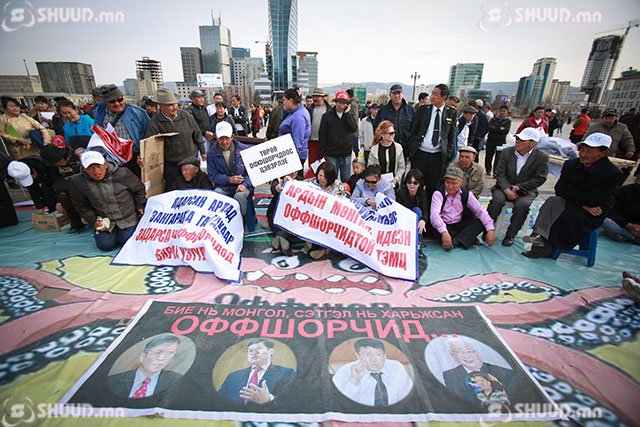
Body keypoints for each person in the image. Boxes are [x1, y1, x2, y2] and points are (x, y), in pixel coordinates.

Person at [522, 133, 622, 258]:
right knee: (553, 202)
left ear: (603, 153)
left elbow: (595, 199)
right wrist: (583, 203)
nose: (583, 155)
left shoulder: (611, 173)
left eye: (589, 152)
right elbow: (560, 189)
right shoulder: (571, 165)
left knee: (563, 217)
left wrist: (572, 192)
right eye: (582, 150)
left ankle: (546, 245)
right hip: (577, 205)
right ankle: (538, 238)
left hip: (593, 212)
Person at [69, 151, 145, 251]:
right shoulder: (78, 182)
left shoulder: (122, 173)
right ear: (84, 169)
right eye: (90, 168)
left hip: (128, 217)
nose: (96, 171)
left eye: (99, 166)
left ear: (105, 165)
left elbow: (139, 189)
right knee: (105, 245)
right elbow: (80, 205)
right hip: (104, 220)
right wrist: (93, 220)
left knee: (127, 241)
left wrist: (140, 206)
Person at [487, 127, 549, 247]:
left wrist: (519, 187)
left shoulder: (542, 157)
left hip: (526, 190)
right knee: (497, 200)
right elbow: (499, 173)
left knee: (523, 205)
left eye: (522, 140)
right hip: (503, 187)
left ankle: (511, 234)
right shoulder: (507, 152)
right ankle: (488, 229)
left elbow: (539, 178)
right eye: (517, 139)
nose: (517, 142)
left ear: (532, 143)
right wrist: (507, 189)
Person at [144, 88, 205, 190]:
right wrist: (144, 158)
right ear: (161, 105)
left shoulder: (186, 116)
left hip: (190, 159)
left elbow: (197, 134)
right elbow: (149, 142)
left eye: (175, 103)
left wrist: (203, 151)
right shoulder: (155, 121)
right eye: (170, 105)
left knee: (194, 187)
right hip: (171, 164)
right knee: (173, 189)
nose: (175, 107)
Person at [408, 84, 459, 195]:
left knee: (434, 186)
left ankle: (431, 205)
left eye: (436, 94)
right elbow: (413, 131)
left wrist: (448, 154)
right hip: (420, 154)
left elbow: (452, 136)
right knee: (416, 184)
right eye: (432, 93)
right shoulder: (423, 110)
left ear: (444, 97)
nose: (432, 96)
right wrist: (411, 150)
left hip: (437, 157)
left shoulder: (451, 112)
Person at [332, 338, 414, 407]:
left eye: (378, 354)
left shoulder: (396, 367)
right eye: (367, 354)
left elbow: (407, 397)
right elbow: (338, 403)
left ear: (385, 355)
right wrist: (354, 380)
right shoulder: (345, 371)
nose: (373, 359)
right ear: (358, 356)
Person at [430, 165, 496, 250]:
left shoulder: (466, 194)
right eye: (447, 182)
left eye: (454, 183)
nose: (450, 186)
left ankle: (455, 242)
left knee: (480, 223)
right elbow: (434, 216)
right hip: (444, 225)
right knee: (436, 228)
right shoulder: (438, 194)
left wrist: (490, 230)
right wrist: (444, 232)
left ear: (460, 183)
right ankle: (463, 239)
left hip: (459, 224)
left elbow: (480, 211)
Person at [93, 84, 149, 177]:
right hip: (113, 160)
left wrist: (144, 154)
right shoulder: (99, 114)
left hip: (135, 157)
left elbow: (149, 135)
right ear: (106, 102)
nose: (117, 104)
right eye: (112, 101)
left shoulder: (138, 113)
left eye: (120, 100)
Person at [219, 338, 296, 406]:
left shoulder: (287, 373)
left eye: (258, 349)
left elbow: (292, 402)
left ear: (271, 351)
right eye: (250, 350)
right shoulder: (233, 376)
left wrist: (269, 399)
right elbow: (218, 400)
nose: (253, 353)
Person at [442, 338, 514, 407]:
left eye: (469, 351)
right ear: (452, 355)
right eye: (458, 352)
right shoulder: (450, 375)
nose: (467, 356)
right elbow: (458, 401)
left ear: (477, 352)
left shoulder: (505, 372)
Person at [107, 334, 183, 399]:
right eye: (158, 352)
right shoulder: (115, 381)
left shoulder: (178, 381)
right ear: (142, 356)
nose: (162, 358)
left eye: (170, 353)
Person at [207, 121, 252, 218]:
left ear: (232, 137)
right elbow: (212, 175)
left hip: (242, 185)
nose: (224, 142)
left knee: (239, 197)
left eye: (227, 138)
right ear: (216, 137)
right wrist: (229, 179)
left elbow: (253, 173)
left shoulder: (244, 150)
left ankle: (243, 220)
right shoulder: (211, 153)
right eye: (221, 138)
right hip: (223, 186)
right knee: (216, 196)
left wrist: (245, 184)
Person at [38, 144, 85, 234]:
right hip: (70, 189)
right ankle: (77, 224)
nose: (58, 164)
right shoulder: (53, 168)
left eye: (58, 161)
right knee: (63, 198)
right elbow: (57, 184)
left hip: (86, 186)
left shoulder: (78, 156)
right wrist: (58, 201)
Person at [583, 108, 635, 183]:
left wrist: (630, 149)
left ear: (615, 118)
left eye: (611, 118)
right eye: (606, 118)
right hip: (593, 156)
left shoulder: (622, 128)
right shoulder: (594, 127)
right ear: (602, 118)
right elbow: (585, 139)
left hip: (610, 155)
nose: (608, 120)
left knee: (606, 175)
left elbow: (628, 139)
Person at [318, 91, 358, 182]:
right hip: (332, 153)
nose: (341, 105)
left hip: (346, 153)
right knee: (331, 179)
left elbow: (354, 129)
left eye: (344, 103)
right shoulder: (327, 116)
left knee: (346, 179)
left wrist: (347, 115)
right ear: (335, 102)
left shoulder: (349, 115)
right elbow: (322, 135)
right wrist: (321, 152)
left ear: (347, 105)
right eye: (339, 102)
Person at [601, 168, 640, 244]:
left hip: (636, 228)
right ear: (636, 180)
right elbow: (610, 212)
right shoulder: (622, 191)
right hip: (621, 224)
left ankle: (627, 236)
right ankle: (632, 237)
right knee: (603, 220)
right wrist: (628, 225)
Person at [373, 84, 415, 153]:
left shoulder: (411, 110)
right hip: (386, 148)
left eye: (399, 93)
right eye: (394, 93)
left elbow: (415, 130)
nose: (397, 96)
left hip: (406, 149)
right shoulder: (383, 110)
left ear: (403, 94)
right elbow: (376, 127)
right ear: (390, 95)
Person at [268, 170, 300, 256]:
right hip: (276, 212)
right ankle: (282, 239)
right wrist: (281, 186)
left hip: (293, 214)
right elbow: (275, 188)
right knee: (279, 223)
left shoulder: (301, 181)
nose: (293, 173)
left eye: (296, 171)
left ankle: (279, 238)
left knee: (292, 223)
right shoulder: (278, 180)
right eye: (291, 171)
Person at [279, 88, 311, 169]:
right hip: (290, 154)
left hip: (294, 156)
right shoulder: (294, 112)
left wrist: (294, 163)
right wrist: (285, 111)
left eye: (284, 100)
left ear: (290, 101)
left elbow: (298, 141)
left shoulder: (298, 117)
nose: (283, 103)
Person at [368, 120, 406, 186]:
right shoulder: (374, 150)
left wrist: (396, 179)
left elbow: (401, 167)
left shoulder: (398, 148)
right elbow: (370, 168)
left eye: (394, 133)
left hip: (394, 184)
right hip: (378, 184)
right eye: (390, 133)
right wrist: (376, 179)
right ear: (382, 135)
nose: (393, 135)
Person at [396, 169, 429, 236]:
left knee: (417, 211)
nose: (412, 185)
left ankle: (418, 238)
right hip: (403, 218)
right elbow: (398, 210)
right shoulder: (400, 193)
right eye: (409, 182)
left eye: (415, 183)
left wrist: (423, 220)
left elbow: (425, 210)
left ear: (420, 184)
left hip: (417, 219)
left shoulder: (422, 194)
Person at [485, 105, 511, 175]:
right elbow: (490, 128)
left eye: (504, 111)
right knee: (489, 156)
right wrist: (499, 128)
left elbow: (506, 131)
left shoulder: (508, 121)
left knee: (498, 158)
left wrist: (496, 128)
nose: (502, 112)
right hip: (491, 140)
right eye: (501, 111)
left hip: (501, 141)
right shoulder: (493, 119)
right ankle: (488, 170)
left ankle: (496, 172)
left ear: (507, 112)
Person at [307, 88, 329, 168]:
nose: (315, 99)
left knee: (324, 164)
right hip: (312, 140)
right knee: (312, 163)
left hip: (325, 141)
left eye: (317, 97)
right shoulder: (310, 109)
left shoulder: (329, 109)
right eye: (314, 96)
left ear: (323, 97)